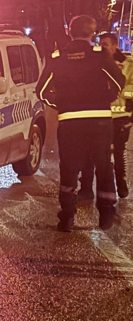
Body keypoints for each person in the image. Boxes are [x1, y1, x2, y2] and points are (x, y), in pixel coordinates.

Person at [36, 15, 125, 231]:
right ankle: (106, 213)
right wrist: (106, 98)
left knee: (69, 169)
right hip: (99, 122)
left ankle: (67, 216)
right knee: (103, 166)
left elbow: (42, 91)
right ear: (92, 32)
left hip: (70, 123)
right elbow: (119, 81)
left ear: (69, 32)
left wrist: (60, 103)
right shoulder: (99, 55)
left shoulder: (58, 58)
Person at [79, 32, 133, 199]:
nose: (101, 48)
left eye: (105, 45)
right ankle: (86, 188)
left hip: (120, 116)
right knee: (90, 153)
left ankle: (121, 185)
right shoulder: (96, 61)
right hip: (99, 114)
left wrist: (128, 103)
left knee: (118, 152)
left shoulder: (128, 64)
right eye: (99, 44)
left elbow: (129, 86)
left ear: (115, 46)